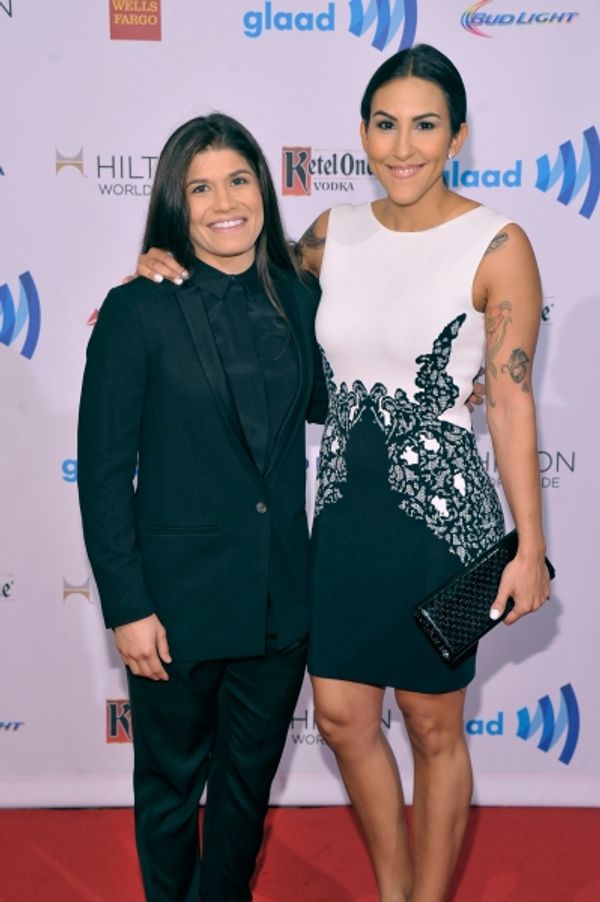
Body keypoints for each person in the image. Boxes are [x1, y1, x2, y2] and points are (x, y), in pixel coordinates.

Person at [136, 44, 550, 902]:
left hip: (443, 524)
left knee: (436, 728)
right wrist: (162, 263)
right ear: (362, 132)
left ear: (458, 135)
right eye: (386, 125)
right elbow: (244, 281)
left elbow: (510, 403)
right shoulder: (332, 232)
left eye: (426, 126)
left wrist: (530, 547)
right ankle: (393, 884)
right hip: (342, 526)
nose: (404, 147)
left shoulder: (499, 243)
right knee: (341, 717)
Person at [77, 113, 327, 902]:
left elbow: (364, 378)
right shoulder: (137, 309)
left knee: (246, 796)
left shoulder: (303, 299)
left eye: (240, 179)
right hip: (174, 608)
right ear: (175, 204)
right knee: (170, 790)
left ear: (264, 188)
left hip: (278, 604)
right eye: (201, 186)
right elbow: (105, 473)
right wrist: (127, 605)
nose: (225, 201)